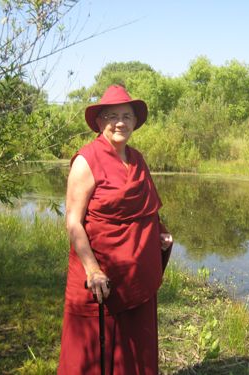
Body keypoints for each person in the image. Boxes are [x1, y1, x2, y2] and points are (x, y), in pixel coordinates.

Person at [58, 85, 173, 374]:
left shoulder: (137, 159)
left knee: (135, 341)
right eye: (112, 116)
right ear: (99, 122)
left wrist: (160, 232)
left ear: (135, 122)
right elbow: (73, 221)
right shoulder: (86, 160)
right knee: (95, 347)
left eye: (126, 116)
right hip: (100, 276)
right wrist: (92, 269)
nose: (120, 122)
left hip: (136, 275)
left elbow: (148, 210)